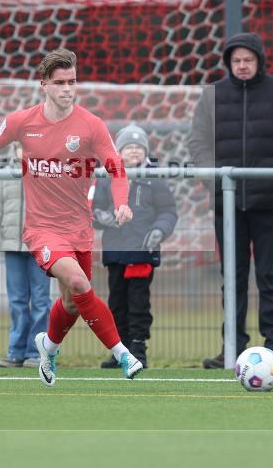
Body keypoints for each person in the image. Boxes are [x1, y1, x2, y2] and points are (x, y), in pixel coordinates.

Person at [0, 48, 143, 386]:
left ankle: (48, 347)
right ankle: (123, 354)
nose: (68, 89)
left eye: (72, 82)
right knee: (80, 284)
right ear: (44, 84)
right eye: (60, 83)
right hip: (41, 229)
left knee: (71, 303)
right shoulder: (22, 122)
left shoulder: (91, 125)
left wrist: (122, 202)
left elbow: (116, 168)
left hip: (78, 228)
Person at [188, 32, 273, 369]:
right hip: (226, 204)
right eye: (237, 60)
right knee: (232, 277)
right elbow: (198, 141)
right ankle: (232, 348)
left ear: (259, 61)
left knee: (269, 274)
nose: (242, 66)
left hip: (268, 201)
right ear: (229, 62)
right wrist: (211, 178)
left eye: (248, 60)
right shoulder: (212, 95)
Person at [92, 123, 178, 370]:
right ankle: (119, 351)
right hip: (116, 251)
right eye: (128, 147)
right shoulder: (106, 178)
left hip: (142, 252)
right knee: (117, 302)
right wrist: (101, 217)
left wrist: (159, 230)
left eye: (138, 147)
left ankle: (138, 349)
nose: (134, 151)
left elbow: (168, 211)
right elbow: (94, 210)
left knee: (139, 303)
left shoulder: (155, 179)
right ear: (119, 151)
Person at [0, 142, 51, 369]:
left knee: (41, 302)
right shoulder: (4, 177)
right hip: (12, 249)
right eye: (22, 146)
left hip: (41, 249)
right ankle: (16, 352)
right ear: (15, 149)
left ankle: (37, 353)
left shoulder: (49, 175)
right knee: (17, 302)